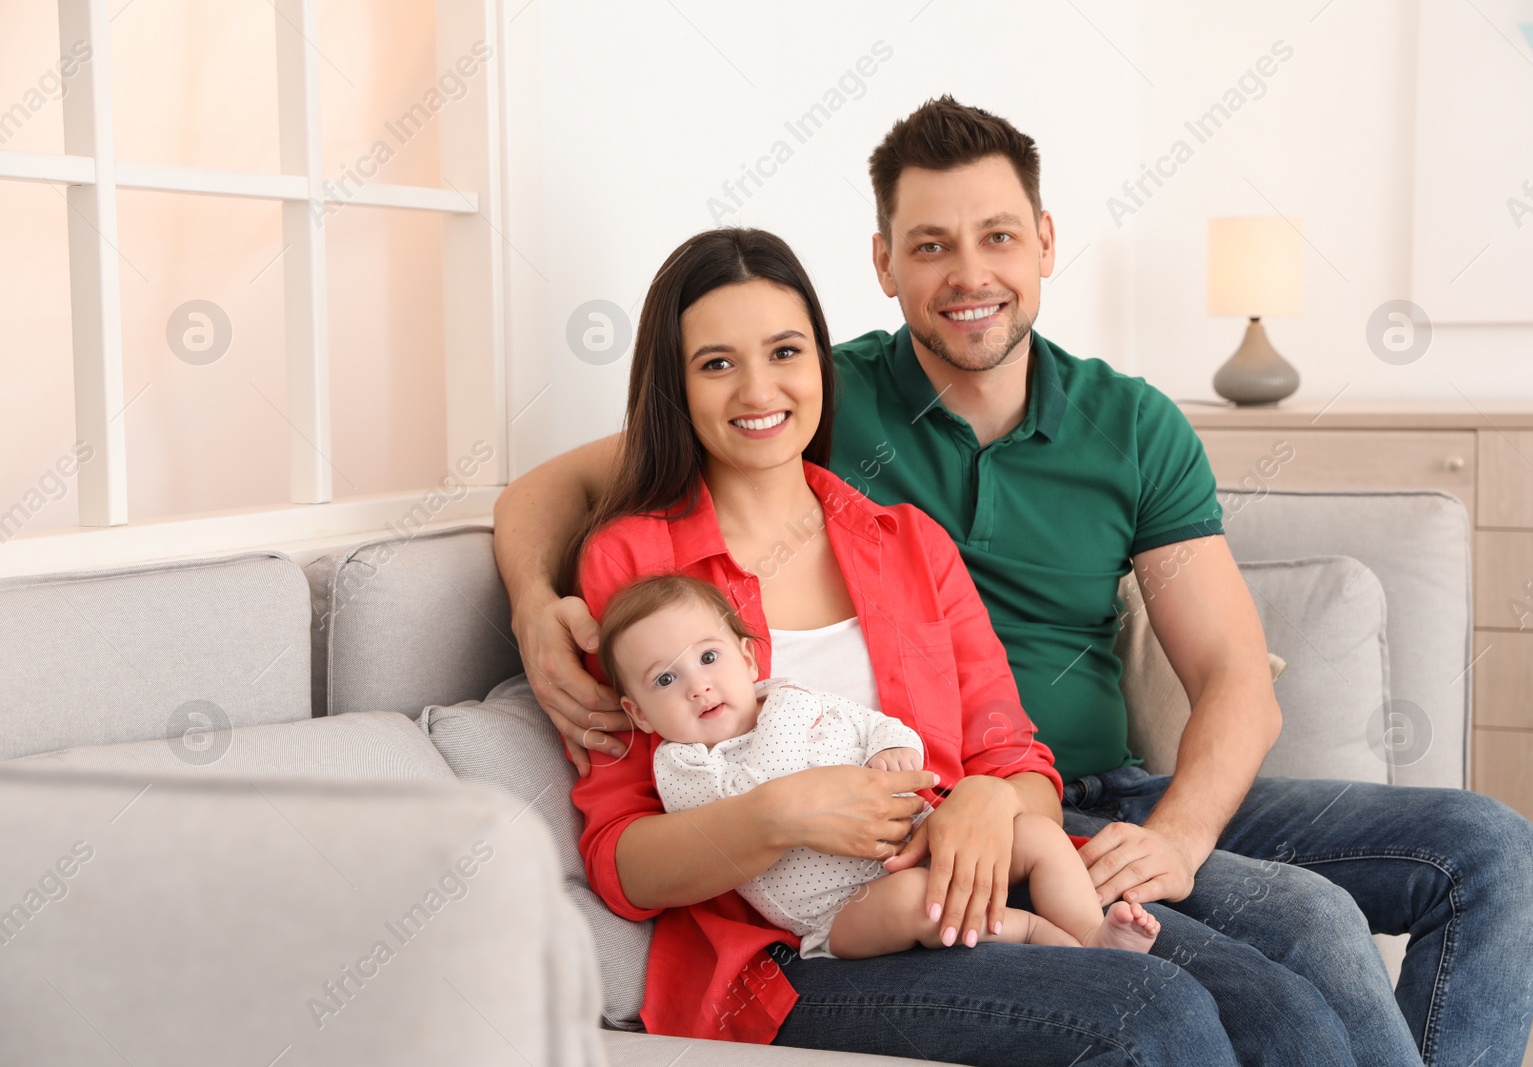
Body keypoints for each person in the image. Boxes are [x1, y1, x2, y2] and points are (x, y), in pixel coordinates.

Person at [496, 97, 1533, 1067]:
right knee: (1251, 965)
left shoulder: (987, 491)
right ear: (883, 263)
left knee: (1452, 871)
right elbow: (585, 483)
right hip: (841, 914)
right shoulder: (791, 432)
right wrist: (536, 603)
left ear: (1044, 242)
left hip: (1035, 812)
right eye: (930, 245)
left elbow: (1223, 672)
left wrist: (1143, 832)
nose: (967, 275)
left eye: (997, 235)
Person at [529, 223, 1358, 1067]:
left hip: (967, 878)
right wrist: (779, 814)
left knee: (1276, 1005)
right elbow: (621, 860)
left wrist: (993, 800)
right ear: (676, 384)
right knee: (1156, 1008)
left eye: (785, 351)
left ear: (821, 361)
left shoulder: (907, 544)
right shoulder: (634, 561)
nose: (757, 388)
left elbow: (1014, 752)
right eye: (716, 363)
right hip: (807, 951)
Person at [595, 572, 1162, 961]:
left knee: (1037, 833)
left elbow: (872, 725)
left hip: (920, 837)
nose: (698, 685)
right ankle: (1038, 933)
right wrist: (793, 767)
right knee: (921, 905)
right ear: (638, 713)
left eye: (709, 657)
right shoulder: (687, 765)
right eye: (665, 680)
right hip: (840, 910)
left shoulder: (795, 696)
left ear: (747, 657)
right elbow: (738, 814)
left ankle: (1092, 930)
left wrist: (892, 752)